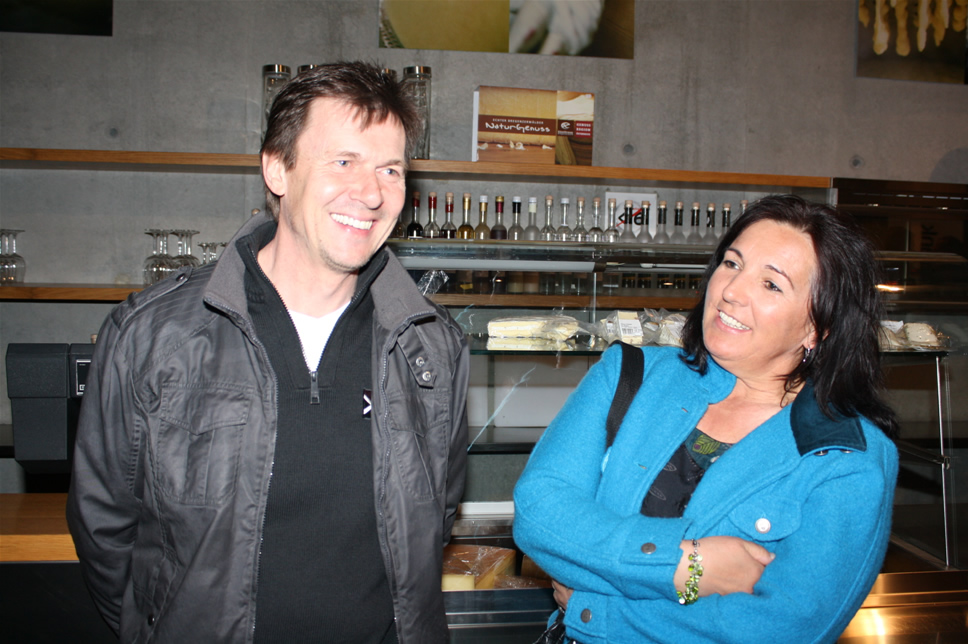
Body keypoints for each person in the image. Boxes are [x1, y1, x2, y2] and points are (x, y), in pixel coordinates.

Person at [66, 61, 469, 643]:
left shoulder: (431, 345)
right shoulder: (153, 334)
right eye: (343, 161)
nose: (372, 193)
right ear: (277, 169)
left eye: (390, 169)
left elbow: (435, 520)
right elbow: (105, 527)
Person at [513, 195, 899, 643]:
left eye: (771, 285)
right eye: (732, 264)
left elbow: (783, 627)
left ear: (818, 326)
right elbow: (540, 512)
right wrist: (684, 565)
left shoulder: (846, 457)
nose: (731, 291)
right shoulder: (630, 374)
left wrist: (596, 609)